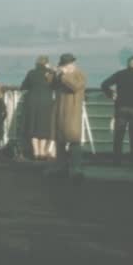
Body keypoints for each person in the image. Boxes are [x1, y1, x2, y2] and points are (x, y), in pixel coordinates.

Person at [49, 53, 87, 182]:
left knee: (74, 142)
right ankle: (61, 167)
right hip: (60, 112)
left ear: (71, 65)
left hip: (72, 114)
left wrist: (63, 75)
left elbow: (75, 87)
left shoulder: (79, 75)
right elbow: (51, 86)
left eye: (64, 65)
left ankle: (76, 169)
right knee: (60, 141)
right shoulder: (61, 76)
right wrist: (53, 73)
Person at [20, 56, 56, 160]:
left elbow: (24, 86)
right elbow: (55, 85)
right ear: (47, 63)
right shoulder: (50, 73)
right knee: (43, 127)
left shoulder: (31, 73)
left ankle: (36, 152)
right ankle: (42, 152)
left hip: (32, 101)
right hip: (46, 102)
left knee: (33, 126)